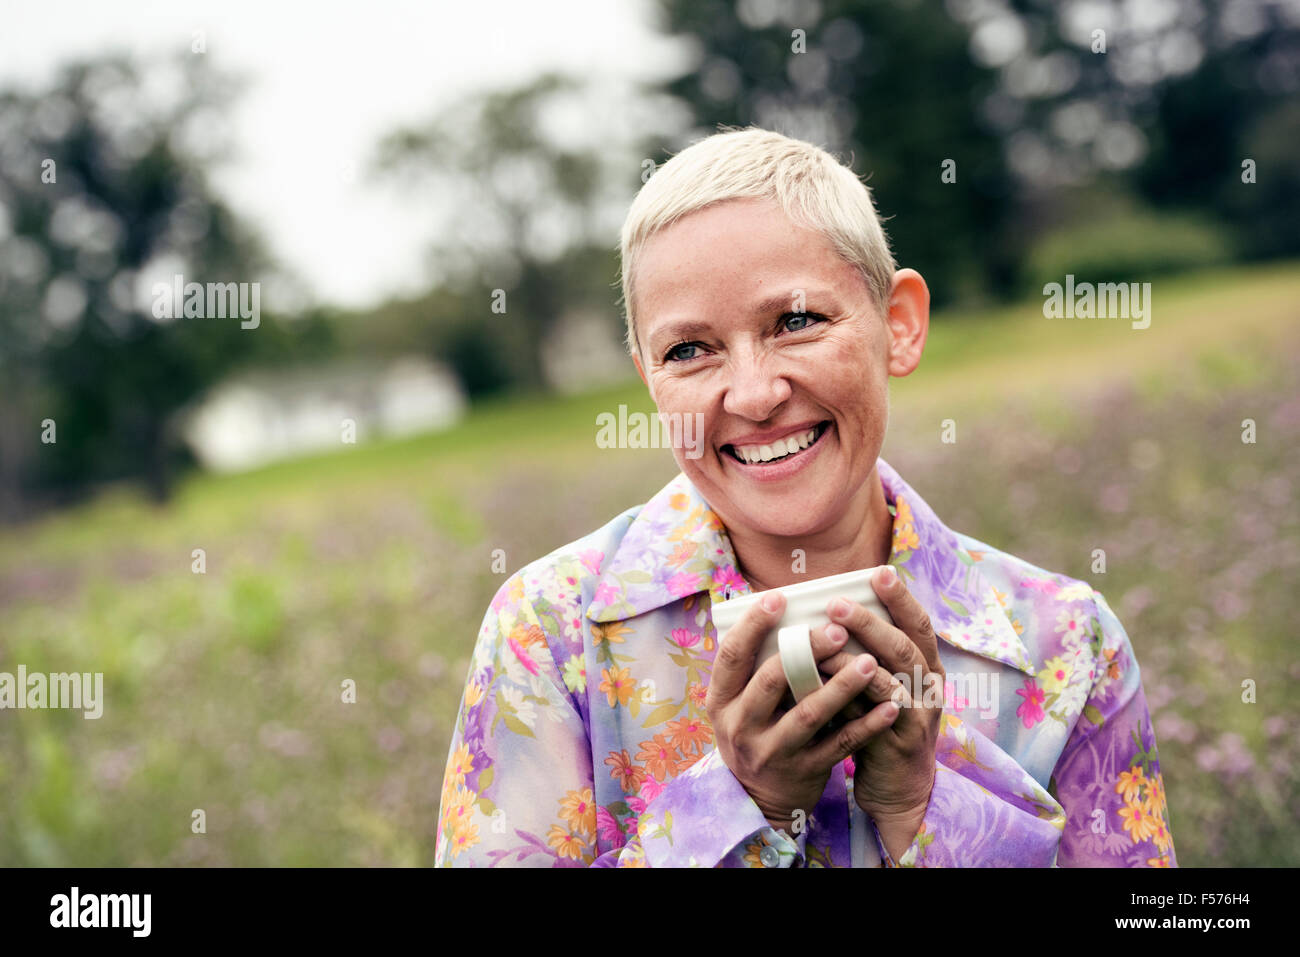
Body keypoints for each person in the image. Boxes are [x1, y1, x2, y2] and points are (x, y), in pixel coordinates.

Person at [434, 126, 1175, 867]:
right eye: (688, 350)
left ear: (899, 323)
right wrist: (741, 806)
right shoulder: (550, 632)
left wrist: (923, 810)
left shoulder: (1070, 647)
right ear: (648, 378)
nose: (755, 395)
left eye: (796, 321)